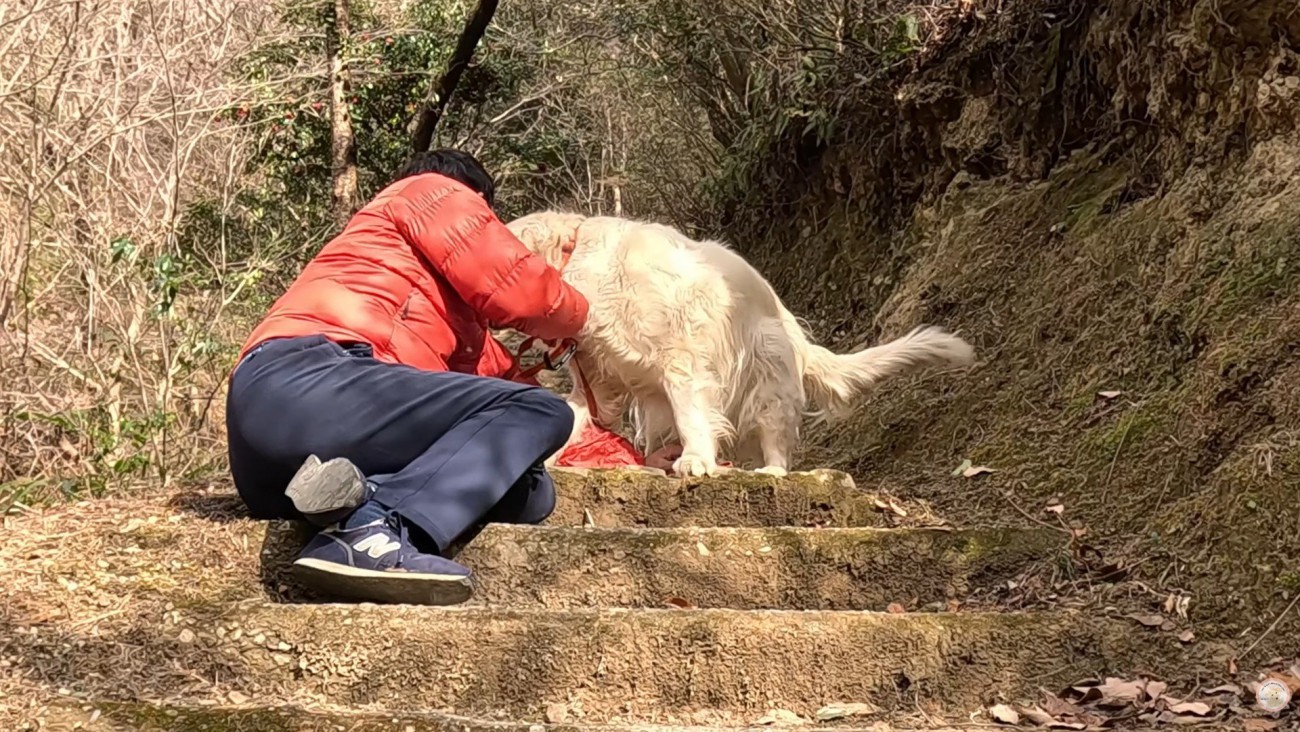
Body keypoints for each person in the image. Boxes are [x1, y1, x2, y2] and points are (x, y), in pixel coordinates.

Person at [224, 149, 589, 606]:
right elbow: (526, 296)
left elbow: (503, 407)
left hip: (268, 463)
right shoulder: (431, 190)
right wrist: (584, 319)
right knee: (540, 410)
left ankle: (354, 496)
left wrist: (622, 448)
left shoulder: (456, 326)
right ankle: (373, 533)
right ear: (477, 201)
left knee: (530, 493)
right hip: (308, 375)